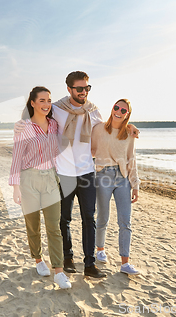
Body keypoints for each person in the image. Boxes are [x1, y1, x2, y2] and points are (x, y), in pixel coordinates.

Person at [14, 71, 139, 278]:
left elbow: (112, 128)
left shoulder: (94, 112)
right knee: (64, 219)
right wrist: (21, 123)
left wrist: (130, 126)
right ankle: (67, 258)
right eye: (79, 88)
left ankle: (90, 264)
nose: (84, 92)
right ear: (69, 89)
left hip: (87, 172)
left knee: (89, 218)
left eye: (87, 88)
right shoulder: (56, 109)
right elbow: (35, 116)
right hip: (63, 173)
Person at [9, 86, 72, 289]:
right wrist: (15, 187)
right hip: (28, 180)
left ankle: (59, 272)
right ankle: (38, 260)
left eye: (49, 100)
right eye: (42, 100)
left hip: (50, 179)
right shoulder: (23, 127)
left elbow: (77, 126)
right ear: (33, 103)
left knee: (54, 227)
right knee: (33, 225)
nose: (46, 104)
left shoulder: (54, 125)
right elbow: (17, 157)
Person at [91, 99, 141, 275]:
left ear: (127, 115)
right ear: (112, 108)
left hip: (122, 179)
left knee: (125, 221)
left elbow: (131, 159)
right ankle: (100, 250)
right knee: (103, 217)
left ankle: (125, 262)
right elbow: (89, 150)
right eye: (116, 107)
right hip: (103, 176)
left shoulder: (128, 134)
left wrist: (135, 185)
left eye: (124, 111)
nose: (118, 112)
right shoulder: (98, 129)